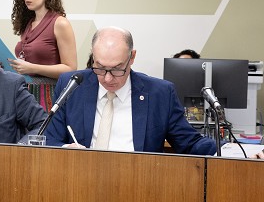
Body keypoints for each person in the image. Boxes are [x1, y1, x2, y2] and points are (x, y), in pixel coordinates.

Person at [43, 26, 217, 155]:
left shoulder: (160, 94)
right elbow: (49, 138)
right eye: (100, 67)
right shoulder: (72, 85)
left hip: (138, 182)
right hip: (80, 180)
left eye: (117, 69)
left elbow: (189, 143)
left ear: (132, 57)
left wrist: (225, 150)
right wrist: (66, 149)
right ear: (93, 56)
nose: (108, 78)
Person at [6, 0, 77, 111]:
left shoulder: (60, 23)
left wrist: (32, 68)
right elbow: (25, 64)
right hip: (25, 94)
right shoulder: (27, 24)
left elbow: (70, 68)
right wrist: (3, 65)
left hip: (50, 96)